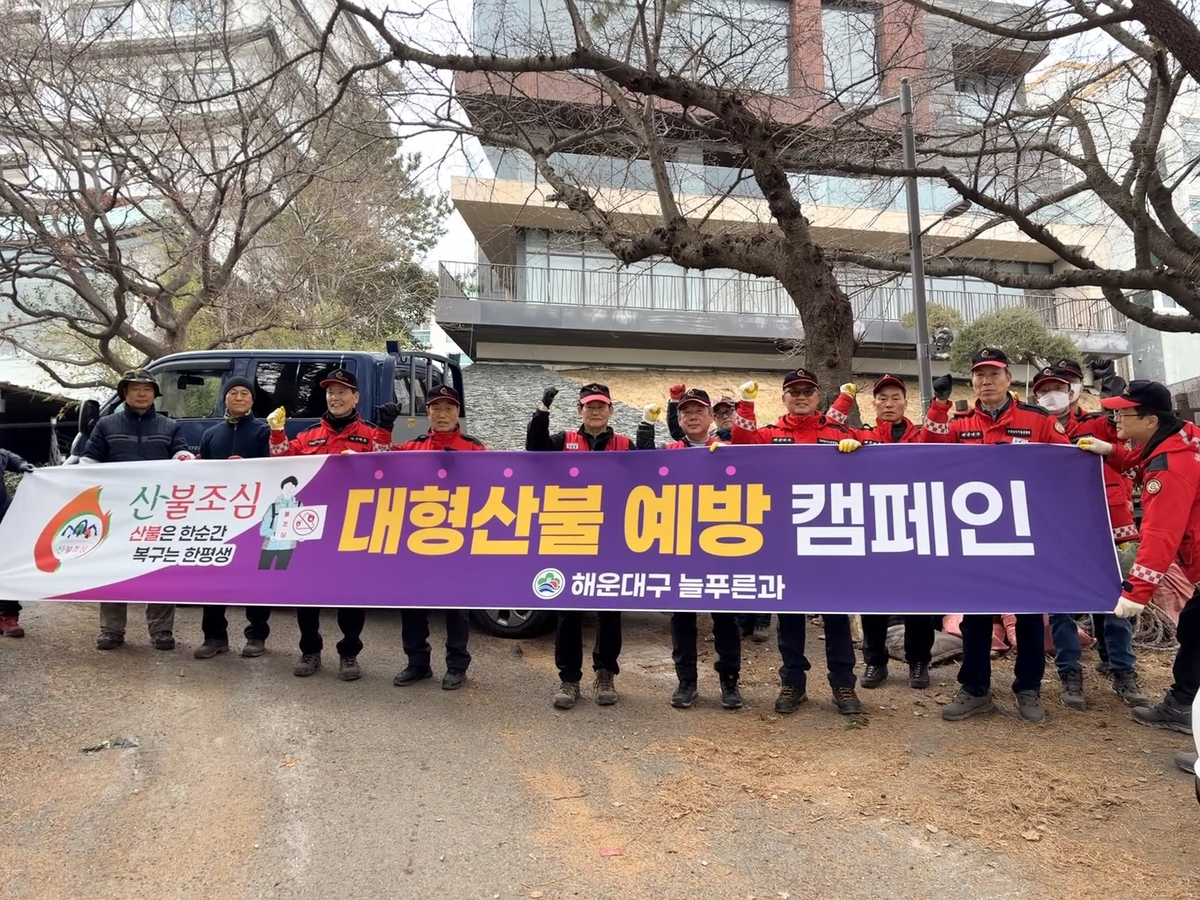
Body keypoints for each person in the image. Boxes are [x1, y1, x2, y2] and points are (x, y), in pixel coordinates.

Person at [920, 348, 1070, 724]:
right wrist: (938, 408)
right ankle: (975, 688)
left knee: (1030, 615)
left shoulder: (1037, 421)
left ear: (1009, 380)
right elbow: (926, 454)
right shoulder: (959, 423)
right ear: (972, 382)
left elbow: (1068, 466)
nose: (986, 382)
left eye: (993, 375)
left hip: (1025, 534)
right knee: (975, 617)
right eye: (979, 376)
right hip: (975, 537)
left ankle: (1028, 688)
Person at [731, 367, 866, 718]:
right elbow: (742, 449)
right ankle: (793, 682)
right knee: (790, 614)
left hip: (830, 537)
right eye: (794, 391)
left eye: (808, 390)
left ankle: (843, 684)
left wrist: (861, 446)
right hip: (784, 538)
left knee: (836, 612)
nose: (801, 396)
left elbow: (875, 461)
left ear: (818, 396)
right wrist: (745, 406)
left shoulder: (838, 431)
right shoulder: (769, 433)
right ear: (784, 398)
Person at [1081, 381, 1200, 736]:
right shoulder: (1185, 438)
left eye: (1123, 412)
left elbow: (1160, 535)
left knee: (1195, 632)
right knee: (1194, 629)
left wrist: (1135, 592)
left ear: (1150, 420)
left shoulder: (1168, 470)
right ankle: (1182, 702)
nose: (1115, 418)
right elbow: (1141, 458)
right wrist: (1111, 452)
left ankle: (1182, 706)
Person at [1031, 363, 1148, 710]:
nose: (1051, 394)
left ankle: (1122, 669)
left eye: (1059, 387)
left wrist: (1114, 410)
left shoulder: (1100, 422)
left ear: (1073, 390)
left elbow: (1130, 451)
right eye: (1043, 390)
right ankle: (1070, 672)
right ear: (1036, 395)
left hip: (1111, 525)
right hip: (1058, 528)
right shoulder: (1035, 428)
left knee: (1117, 601)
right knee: (1061, 604)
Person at [267, 367, 390, 681]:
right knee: (307, 593)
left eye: (342, 392)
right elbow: (282, 464)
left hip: (353, 526)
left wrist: (383, 434)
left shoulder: (371, 433)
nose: (335, 398)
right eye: (330, 392)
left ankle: (349, 655)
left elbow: (386, 467)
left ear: (355, 397)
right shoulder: (308, 435)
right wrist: (278, 433)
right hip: (310, 526)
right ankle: (310, 651)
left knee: (350, 594)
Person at [526, 382, 634, 710]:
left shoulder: (625, 445)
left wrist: (649, 435)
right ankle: (569, 678)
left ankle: (605, 673)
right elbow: (534, 450)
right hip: (571, 533)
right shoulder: (563, 441)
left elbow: (656, 472)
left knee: (609, 610)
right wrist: (541, 411)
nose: (596, 411)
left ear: (611, 410)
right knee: (568, 610)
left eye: (601, 406)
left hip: (613, 536)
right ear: (580, 411)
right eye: (589, 406)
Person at [638, 387, 743, 710]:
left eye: (698, 411)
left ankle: (729, 682)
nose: (692, 417)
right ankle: (686, 682)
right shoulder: (671, 449)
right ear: (679, 420)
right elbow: (642, 464)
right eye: (685, 413)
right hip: (681, 545)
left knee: (726, 618)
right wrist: (645, 425)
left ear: (711, 416)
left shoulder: (730, 448)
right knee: (682, 618)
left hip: (723, 545)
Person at [829, 375, 933, 689]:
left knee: (919, 600)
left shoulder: (921, 437)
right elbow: (828, 432)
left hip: (916, 527)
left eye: (895, 398)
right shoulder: (861, 434)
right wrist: (845, 403)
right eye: (882, 399)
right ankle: (875, 662)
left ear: (906, 402)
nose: (889, 404)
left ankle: (918, 663)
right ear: (873, 404)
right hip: (872, 527)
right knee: (873, 597)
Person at [379, 385, 483, 691]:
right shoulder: (412, 447)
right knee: (412, 603)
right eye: (436, 408)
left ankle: (456, 665)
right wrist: (385, 429)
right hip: (415, 541)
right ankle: (417, 663)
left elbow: (492, 488)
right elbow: (379, 464)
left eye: (449, 408)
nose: (442, 414)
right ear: (428, 413)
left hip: (458, 541)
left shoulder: (475, 449)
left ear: (457, 413)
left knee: (456, 604)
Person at [81, 369, 190, 651]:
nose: (141, 394)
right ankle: (112, 630)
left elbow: (180, 452)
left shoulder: (169, 426)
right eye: (135, 389)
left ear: (155, 394)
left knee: (160, 567)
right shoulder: (106, 424)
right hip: (116, 511)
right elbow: (90, 461)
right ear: (125, 394)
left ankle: (162, 630)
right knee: (114, 568)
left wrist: (184, 457)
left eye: (147, 389)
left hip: (159, 509)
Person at [192, 377, 273, 660]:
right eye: (233, 393)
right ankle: (214, 637)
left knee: (254, 577)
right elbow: (202, 474)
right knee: (213, 577)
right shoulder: (212, 434)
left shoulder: (264, 432)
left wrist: (250, 469)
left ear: (252, 400)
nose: (239, 397)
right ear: (225, 398)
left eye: (244, 394)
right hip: (218, 517)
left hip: (255, 516)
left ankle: (256, 635)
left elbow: (276, 469)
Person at [0, 447, 36, 637]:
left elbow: (7, 456)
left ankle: (9, 617)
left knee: (6, 568)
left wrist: (21, 465)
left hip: (3, 519)